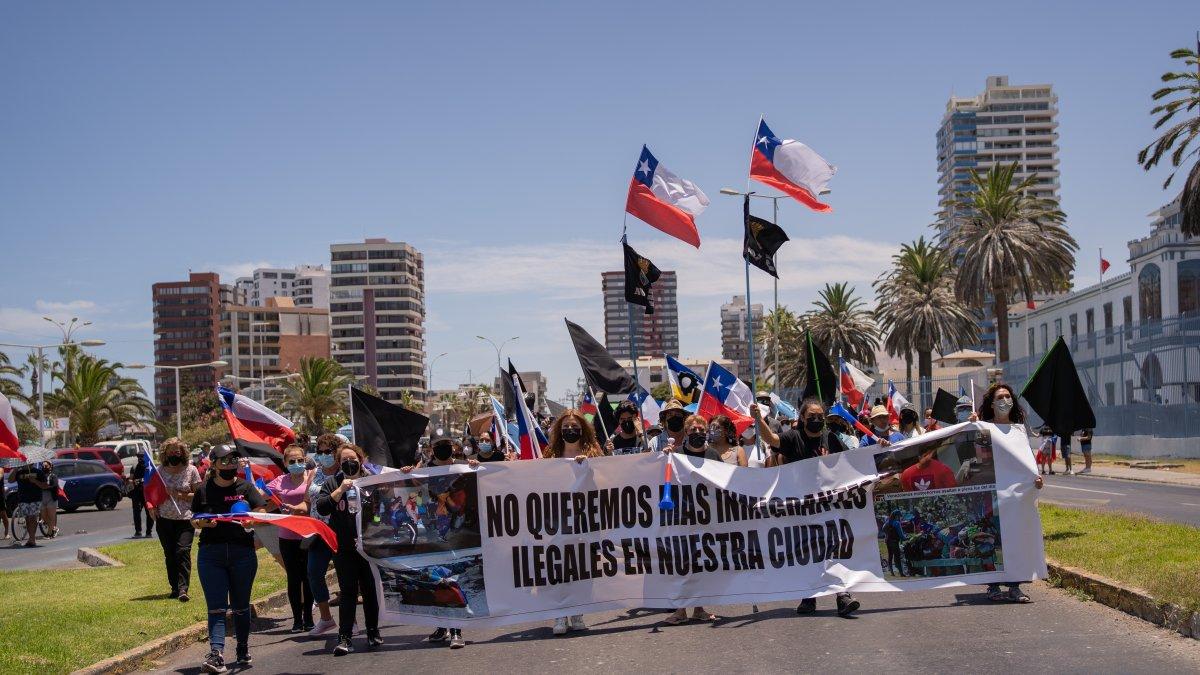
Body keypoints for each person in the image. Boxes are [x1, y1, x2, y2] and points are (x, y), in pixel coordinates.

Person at [752, 400, 861, 617]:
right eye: (812, 415)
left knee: (830, 547)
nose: (817, 420)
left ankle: (842, 596)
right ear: (802, 418)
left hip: (827, 505)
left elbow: (851, 460)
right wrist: (758, 419)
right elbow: (771, 439)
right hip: (801, 507)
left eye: (820, 415)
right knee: (809, 551)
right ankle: (809, 597)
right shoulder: (794, 438)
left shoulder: (830, 438)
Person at [191, 444, 266, 673]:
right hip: (210, 554)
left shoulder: (246, 487)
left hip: (242, 553)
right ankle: (216, 654)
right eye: (224, 461)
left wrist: (253, 520)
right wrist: (201, 523)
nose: (230, 465)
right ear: (213, 464)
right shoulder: (203, 490)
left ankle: (242, 648)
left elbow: (262, 511)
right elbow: (194, 519)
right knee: (216, 608)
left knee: (241, 607)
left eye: (233, 460)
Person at [973, 382, 1044, 603]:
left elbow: (1026, 461)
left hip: (1016, 498)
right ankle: (993, 586)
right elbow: (976, 458)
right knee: (992, 541)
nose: (1005, 401)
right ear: (992, 404)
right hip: (992, 496)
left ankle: (1015, 587)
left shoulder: (1019, 430)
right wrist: (971, 426)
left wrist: (1036, 477)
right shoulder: (982, 429)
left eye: (1007, 396)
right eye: (1000, 397)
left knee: (1016, 540)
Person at [317, 444, 383, 656]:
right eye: (343, 460)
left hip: (368, 544)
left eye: (352, 458)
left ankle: (373, 631)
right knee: (348, 591)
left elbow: (387, 502)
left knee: (370, 590)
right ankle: (345, 636)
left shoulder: (371, 480)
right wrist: (340, 491)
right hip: (344, 546)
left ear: (360, 459)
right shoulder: (332, 483)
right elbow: (322, 507)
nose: (349, 463)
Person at [542, 410, 602, 634]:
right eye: (565, 427)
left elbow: (609, 477)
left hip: (586, 519)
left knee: (583, 568)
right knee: (559, 567)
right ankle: (559, 614)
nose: (570, 430)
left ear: (582, 429)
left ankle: (577, 612)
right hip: (558, 519)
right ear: (559, 430)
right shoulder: (550, 454)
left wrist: (590, 465)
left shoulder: (593, 452)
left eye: (574, 426)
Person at [662, 413, 721, 624]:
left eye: (701, 430)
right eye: (692, 430)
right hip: (682, 518)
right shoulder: (675, 454)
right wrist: (663, 456)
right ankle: (680, 610)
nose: (697, 433)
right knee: (682, 564)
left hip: (708, 519)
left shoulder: (714, 455)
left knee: (702, 564)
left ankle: (699, 608)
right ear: (685, 433)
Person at [267, 444, 316, 633]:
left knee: (308, 576)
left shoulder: (312, 477)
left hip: (309, 535)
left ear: (305, 460)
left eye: (300, 460)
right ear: (285, 463)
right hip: (287, 536)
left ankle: (309, 618)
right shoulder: (280, 481)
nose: (297, 464)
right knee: (294, 578)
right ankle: (297, 620)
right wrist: (246, 471)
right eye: (292, 461)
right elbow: (259, 494)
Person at [155, 437, 203, 602]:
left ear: (182, 452)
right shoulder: (159, 471)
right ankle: (174, 587)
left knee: (182, 551)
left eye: (177, 451)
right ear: (165, 453)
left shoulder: (191, 470)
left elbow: (199, 495)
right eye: (171, 451)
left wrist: (179, 494)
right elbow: (150, 493)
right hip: (164, 519)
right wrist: (151, 508)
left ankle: (183, 589)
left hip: (185, 519)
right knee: (170, 554)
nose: (174, 454)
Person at [304, 433, 340, 636]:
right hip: (317, 532)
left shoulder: (346, 472)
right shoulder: (314, 473)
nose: (324, 455)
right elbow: (306, 502)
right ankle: (326, 619)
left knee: (345, 575)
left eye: (328, 451)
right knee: (314, 573)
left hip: (339, 531)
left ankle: (350, 620)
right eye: (320, 451)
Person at [13, 464, 46, 547]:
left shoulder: (38, 472)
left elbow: (45, 485)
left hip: (35, 498)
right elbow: (10, 480)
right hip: (23, 499)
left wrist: (35, 481)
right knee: (27, 518)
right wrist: (15, 469)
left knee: (32, 517)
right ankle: (31, 538)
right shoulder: (19, 472)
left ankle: (32, 539)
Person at [129, 452, 155, 538]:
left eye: (142, 457)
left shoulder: (150, 467)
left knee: (149, 512)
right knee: (136, 512)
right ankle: (138, 531)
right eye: (139, 457)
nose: (140, 459)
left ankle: (149, 532)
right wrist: (132, 484)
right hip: (137, 492)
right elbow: (131, 479)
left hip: (147, 493)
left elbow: (153, 479)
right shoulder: (134, 466)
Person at [39, 460, 59, 538]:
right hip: (42, 498)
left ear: (50, 466)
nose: (44, 467)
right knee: (44, 516)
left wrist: (46, 487)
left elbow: (55, 486)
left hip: (51, 498)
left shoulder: (53, 476)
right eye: (43, 466)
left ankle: (49, 534)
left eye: (46, 466)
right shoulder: (41, 476)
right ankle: (53, 528)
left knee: (51, 516)